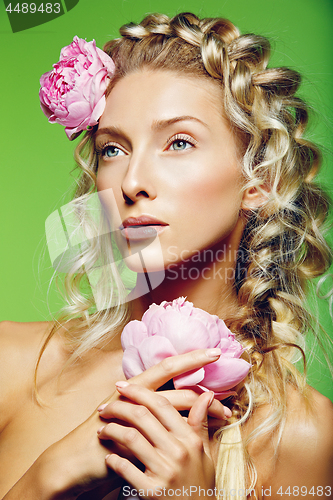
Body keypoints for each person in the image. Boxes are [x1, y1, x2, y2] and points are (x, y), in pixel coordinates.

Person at [1, 12, 332, 500]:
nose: (131, 182)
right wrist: (46, 479)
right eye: (112, 149)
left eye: (178, 142)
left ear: (259, 181)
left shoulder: (305, 434)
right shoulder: (11, 364)